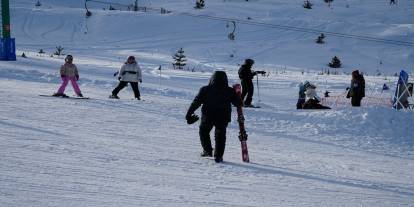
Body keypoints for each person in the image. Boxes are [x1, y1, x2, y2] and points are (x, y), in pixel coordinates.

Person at [186, 71, 242, 163]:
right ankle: (218, 156)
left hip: (208, 115)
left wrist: (189, 114)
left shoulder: (205, 89)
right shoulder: (230, 91)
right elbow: (238, 104)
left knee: (204, 132)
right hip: (223, 116)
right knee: (220, 135)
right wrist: (238, 95)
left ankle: (207, 151)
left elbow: (196, 102)